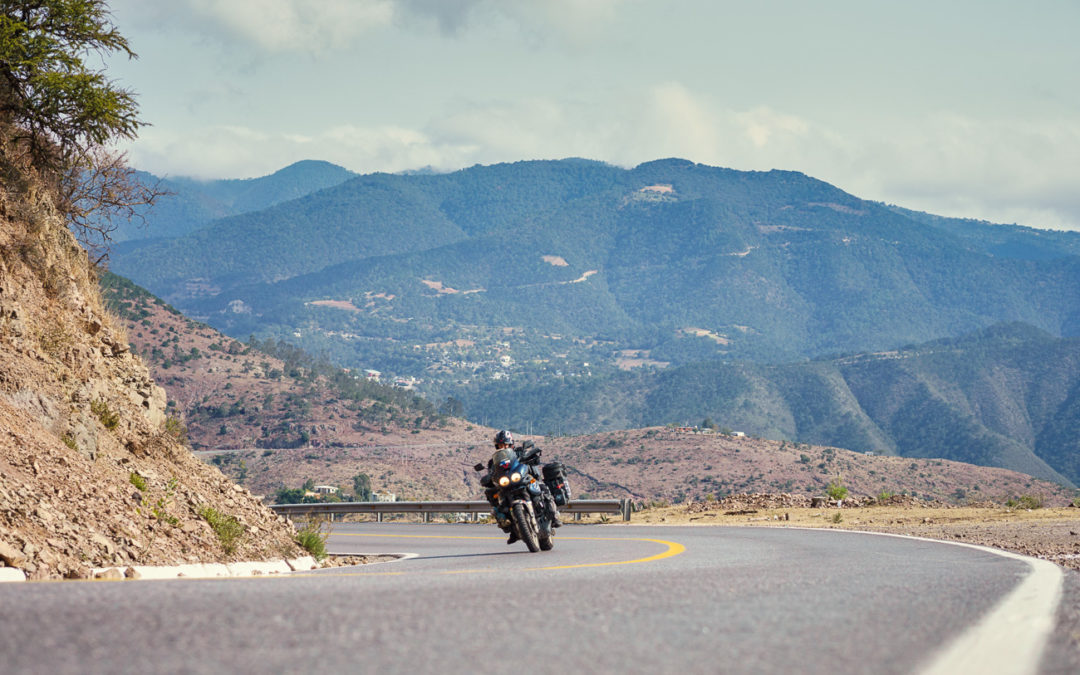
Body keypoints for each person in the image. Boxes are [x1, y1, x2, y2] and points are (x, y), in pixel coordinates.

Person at [483, 429, 561, 544]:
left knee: (543, 488)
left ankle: (554, 516)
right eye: (500, 445)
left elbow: (533, 458)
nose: (503, 447)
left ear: (511, 444)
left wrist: (532, 454)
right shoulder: (493, 462)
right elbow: (491, 473)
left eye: (505, 444)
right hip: (507, 485)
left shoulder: (519, 452)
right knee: (494, 498)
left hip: (524, 479)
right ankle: (511, 529)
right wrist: (488, 478)